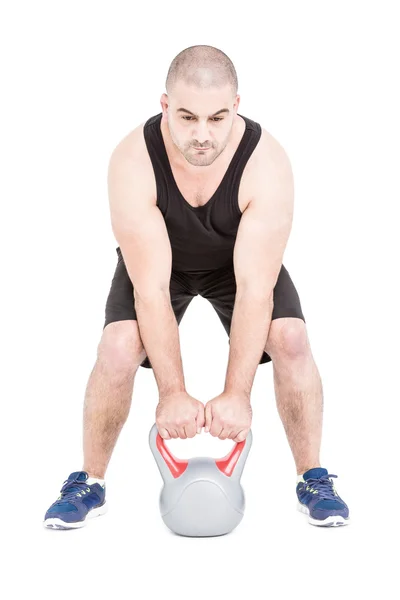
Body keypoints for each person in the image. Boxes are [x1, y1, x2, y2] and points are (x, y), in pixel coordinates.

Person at [44, 45, 349, 530]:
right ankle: (90, 481)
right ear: (165, 106)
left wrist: (237, 394)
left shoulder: (266, 164)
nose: (202, 135)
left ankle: (313, 477)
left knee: (291, 337)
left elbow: (254, 289)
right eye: (187, 117)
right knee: (119, 345)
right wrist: (172, 393)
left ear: (237, 106)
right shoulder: (133, 160)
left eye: (217, 117)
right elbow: (150, 289)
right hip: (160, 269)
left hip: (237, 268)